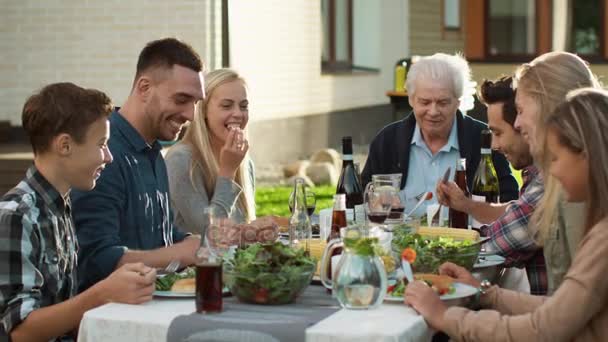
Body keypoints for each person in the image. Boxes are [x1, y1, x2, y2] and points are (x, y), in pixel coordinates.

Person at [405, 87, 608, 341]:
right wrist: (483, 292)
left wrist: (444, 317)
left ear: (586, 156)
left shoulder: (602, 240)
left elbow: (542, 328)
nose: (551, 173)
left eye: (554, 158)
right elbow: (556, 311)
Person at [0, 83, 156, 342]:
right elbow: (20, 332)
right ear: (64, 145)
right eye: (102, 144)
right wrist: (102, 293)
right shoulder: (16, 216)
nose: (109, 157)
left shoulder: (59, 205)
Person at [71, 38, 205, 291]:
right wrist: (185, 252)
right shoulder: (104, 156)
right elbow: (98, 260)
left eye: (196, 103)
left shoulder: (153, 149)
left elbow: (156, 237)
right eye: (181, 99)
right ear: (144, 88)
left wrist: (188, 241)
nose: (190, 115)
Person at [361, 53, 518, 220]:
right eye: (425, 102)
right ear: (411, 100)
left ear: (458, 101)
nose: (433, 112)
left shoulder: (484, 141)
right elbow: (361, 198)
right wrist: (374, 203)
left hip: (468, 243)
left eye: (443, 102)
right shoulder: (387, 141)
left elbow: (510, 203)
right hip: (400, 243)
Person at [436, 76, 546, 295]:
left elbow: (494, 244)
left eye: (498, 133)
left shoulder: (549, 182)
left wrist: (426, 249)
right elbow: (515, 211)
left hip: (552, 322)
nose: (494, 145)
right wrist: (466, 204)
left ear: (524, 126)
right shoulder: (537, 175)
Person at [513, 51, 600, 293]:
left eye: (520, 110)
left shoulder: (576, 186)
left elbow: (570, 316)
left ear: (547, 106)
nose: (517, 124)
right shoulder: (567, 177)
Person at [165, 68, 255, 234]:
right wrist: (227, 173)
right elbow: (210, 234)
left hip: (231, 260)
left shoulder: (244, 162)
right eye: (226, 106)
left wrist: (255, 230)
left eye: (244, 106)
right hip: (193, 260)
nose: (238, 114)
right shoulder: (181, 160)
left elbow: (239, 233)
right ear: (204, 110)